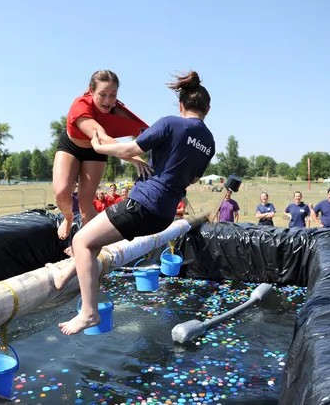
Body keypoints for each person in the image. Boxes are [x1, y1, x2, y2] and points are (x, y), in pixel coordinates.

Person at [53, 71, 214, 335]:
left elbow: (130, 150)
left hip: (143, 203)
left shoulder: (170, 123)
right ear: (207, 109)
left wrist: (101, 148)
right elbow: (194, 179)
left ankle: (89, 312)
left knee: (80, 241)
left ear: (181, 105)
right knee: (93, 238)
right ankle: (67, 272)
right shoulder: (209, 142)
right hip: (164, 214)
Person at [52, 70, 151, 240]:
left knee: (85, 202)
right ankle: (68, 218)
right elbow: (103, 138)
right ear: (91, 92)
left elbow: (143, 132)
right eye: (102, 94)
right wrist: (133, 158)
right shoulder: (80, 107)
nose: (108, 101)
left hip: (95, 152)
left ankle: (87, 244)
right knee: (61, 192)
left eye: (113, 95)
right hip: (72, 146)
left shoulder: (116, 109)